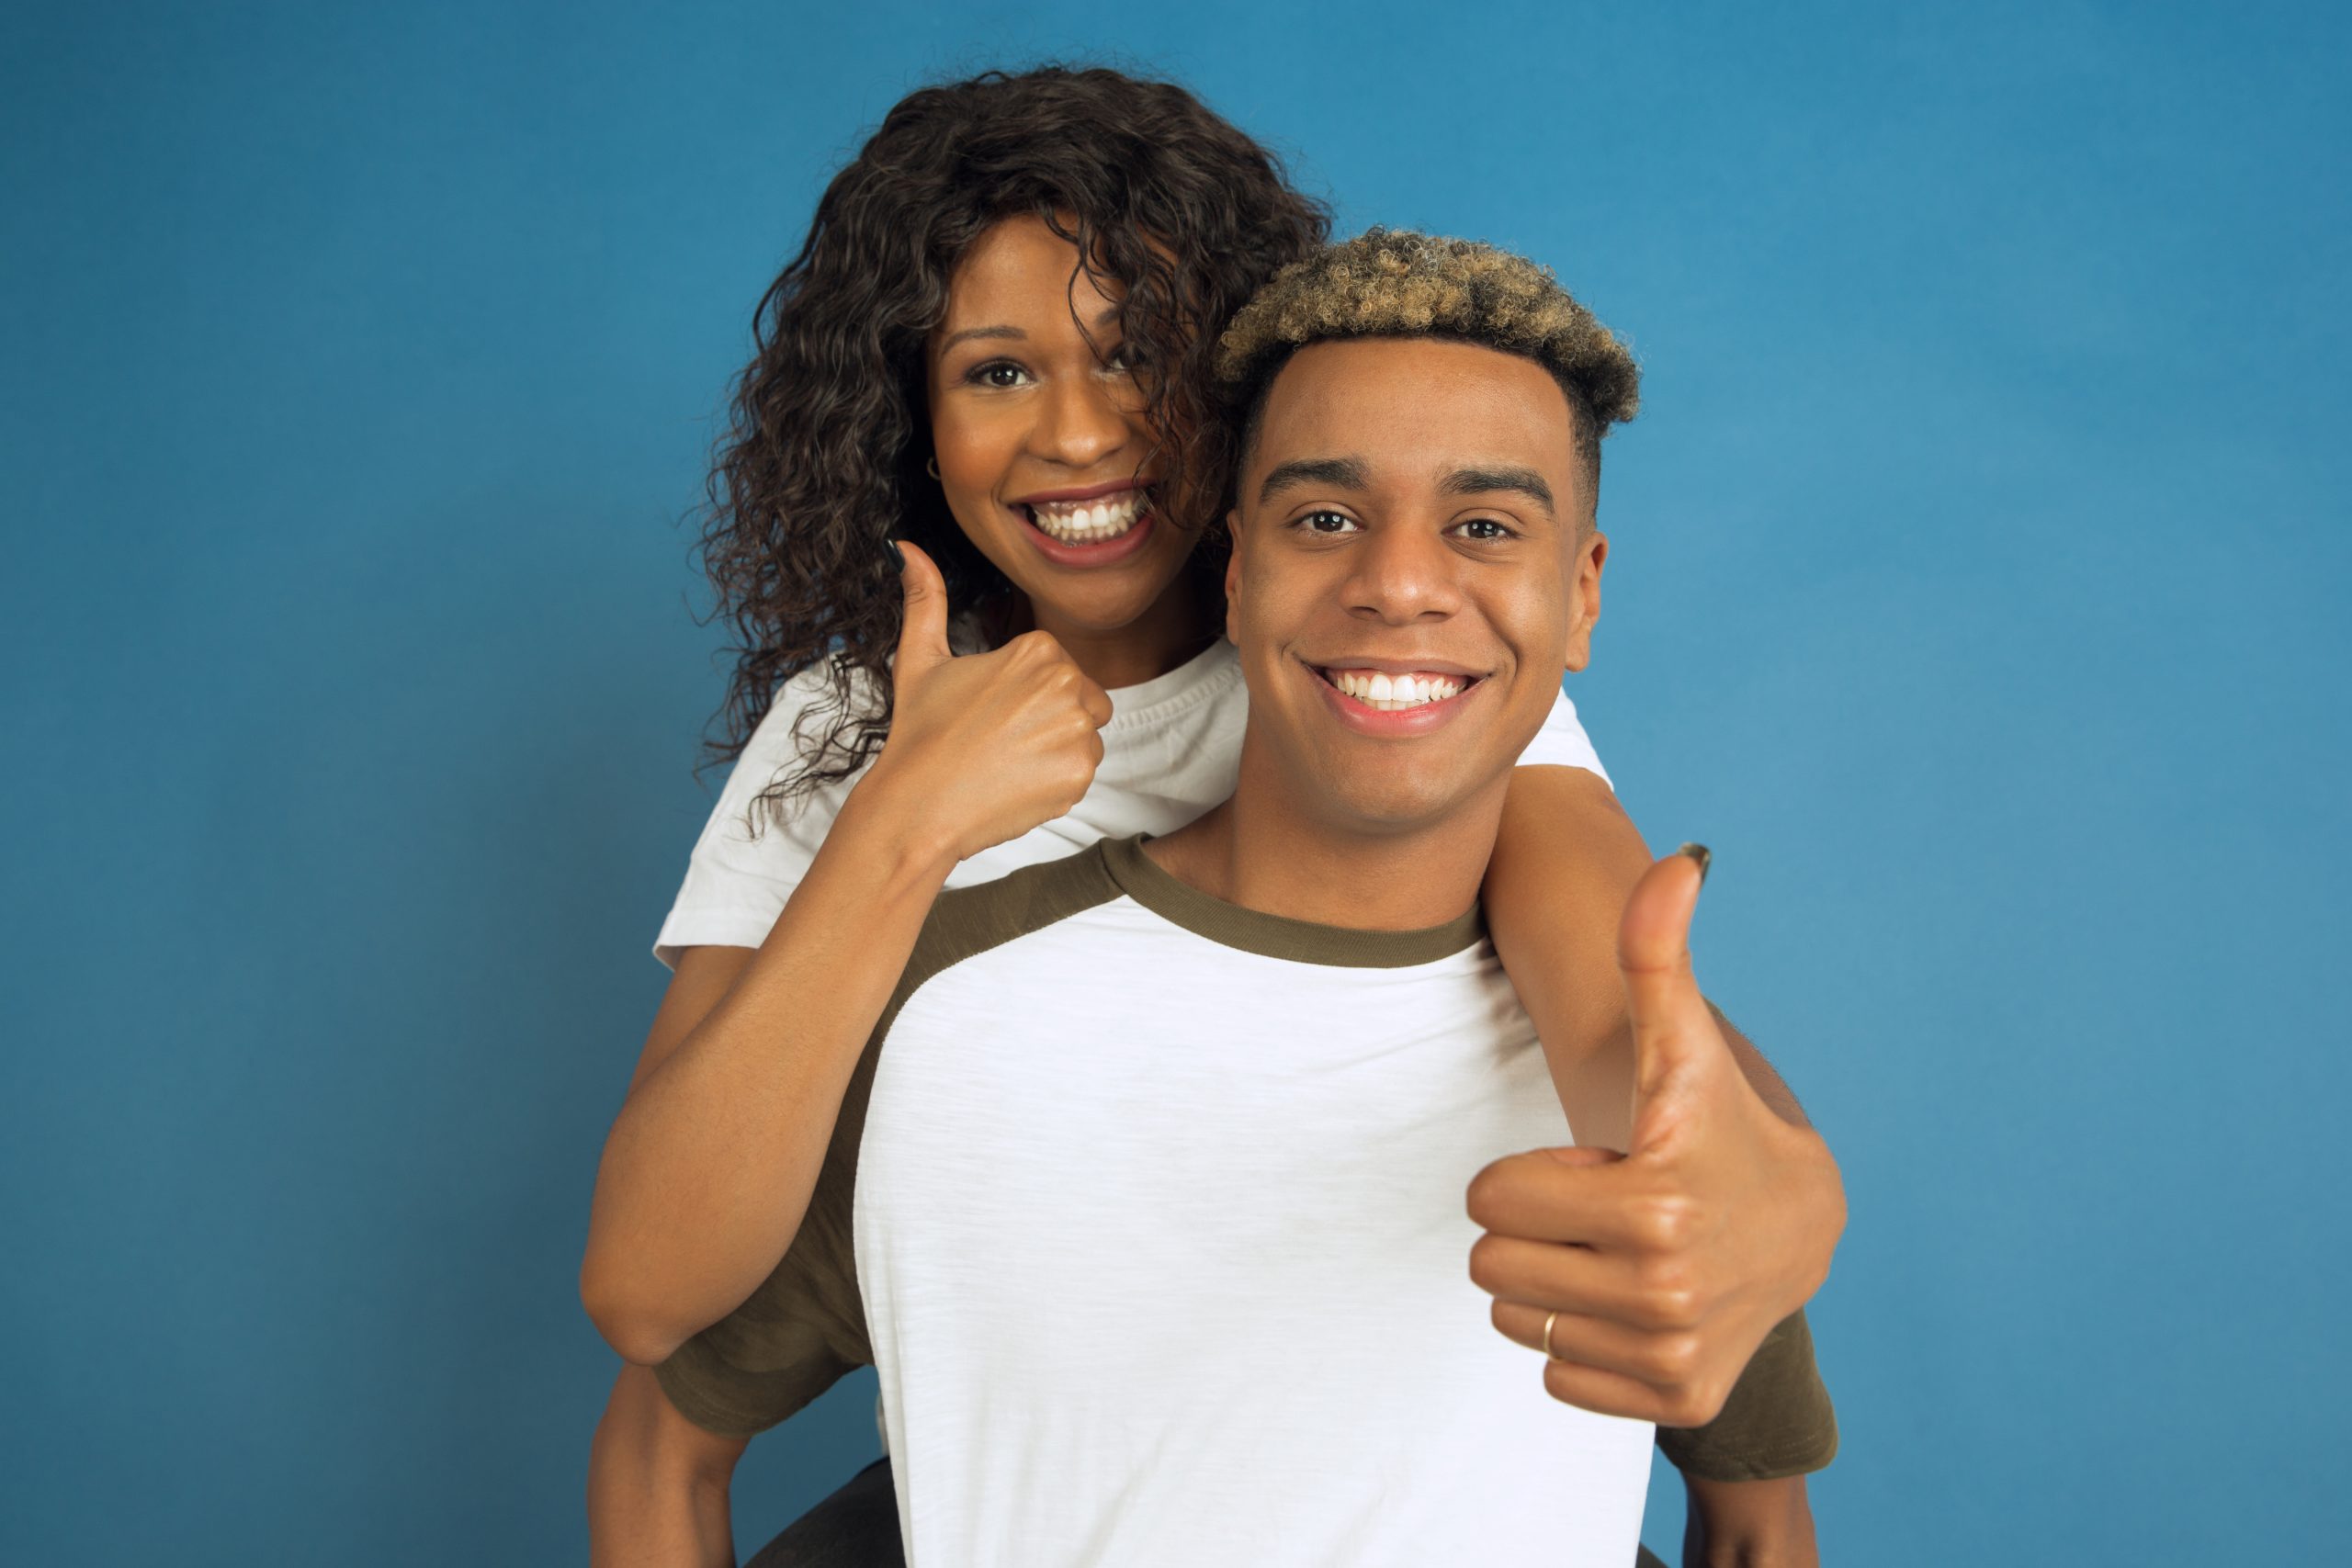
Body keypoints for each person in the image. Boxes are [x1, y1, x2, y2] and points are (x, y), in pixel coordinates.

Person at [580, 67, 1844, 1564]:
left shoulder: (1381, 671)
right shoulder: (851, 736)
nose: (1077, 433)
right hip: (1039, 1401)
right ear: (910, 422)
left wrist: (1789, 1197)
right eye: (996, 373)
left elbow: (1621, 1012)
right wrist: (905, 820)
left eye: (1135, 359)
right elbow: (657, 1290)